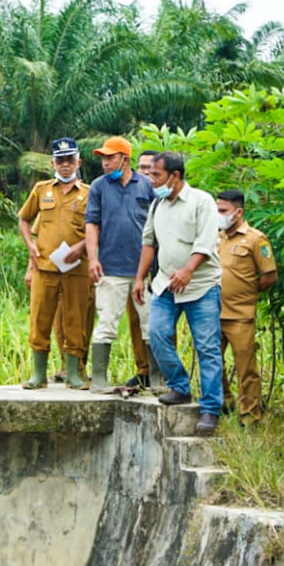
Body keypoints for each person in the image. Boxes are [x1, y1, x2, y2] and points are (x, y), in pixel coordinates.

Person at [134, 152, 224, 435]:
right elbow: (149, 242)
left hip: (201, 286)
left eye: (156, 175)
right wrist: (139, 278)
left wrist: (188, 270)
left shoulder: (202, 201)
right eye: (149, 174)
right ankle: (180, 386)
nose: (151, 180)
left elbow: (206, 241)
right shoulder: (157, 204)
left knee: (207, 347)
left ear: (175, 175)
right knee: (157, 335)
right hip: (165, 284)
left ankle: (210, 409)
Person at [17, 138, 90, 389]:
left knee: (75, 319)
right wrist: (31, 245)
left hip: (77, 268)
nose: (65, 165)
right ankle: (38, 375)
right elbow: (24, 220)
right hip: (45, 266)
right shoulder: (41, 189)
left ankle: (73, 373)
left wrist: (82, 247)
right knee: (40, 318)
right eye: (60, 160)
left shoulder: (89, 194)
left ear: (78, 162)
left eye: (70, 160)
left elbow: (97, 229)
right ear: (53, 163)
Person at [84, 136, 154, 392]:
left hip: (143, 270)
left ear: (125, 159)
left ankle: (155, 378)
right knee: (107, 323)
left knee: (149, 324)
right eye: (103, 157)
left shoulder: (146, 185)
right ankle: (99, 378)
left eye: (110, 157)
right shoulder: (98, 187)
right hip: (110, 267)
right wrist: (93, 258)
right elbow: (92, 224)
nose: (105, 162)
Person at [217, 189, 278, 423]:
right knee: (212, 361)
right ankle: (224, 401)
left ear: (238, 212)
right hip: (214, 312)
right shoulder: (217, 237)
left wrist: (247, 292)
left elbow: (269, 275)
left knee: (246, 368)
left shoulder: (256, 239)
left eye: (223, 211)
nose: (218, 215)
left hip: (240, 314)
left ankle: (250, 414)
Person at [122, 150, 161, 389]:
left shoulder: (162, 197)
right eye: (142, 167)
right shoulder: (129, 192)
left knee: (158, 321)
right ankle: (143, 370)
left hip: (159, 267)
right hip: (131, 266)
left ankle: (162, 372)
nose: (145, 173)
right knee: (135, 320)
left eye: (151, 169)